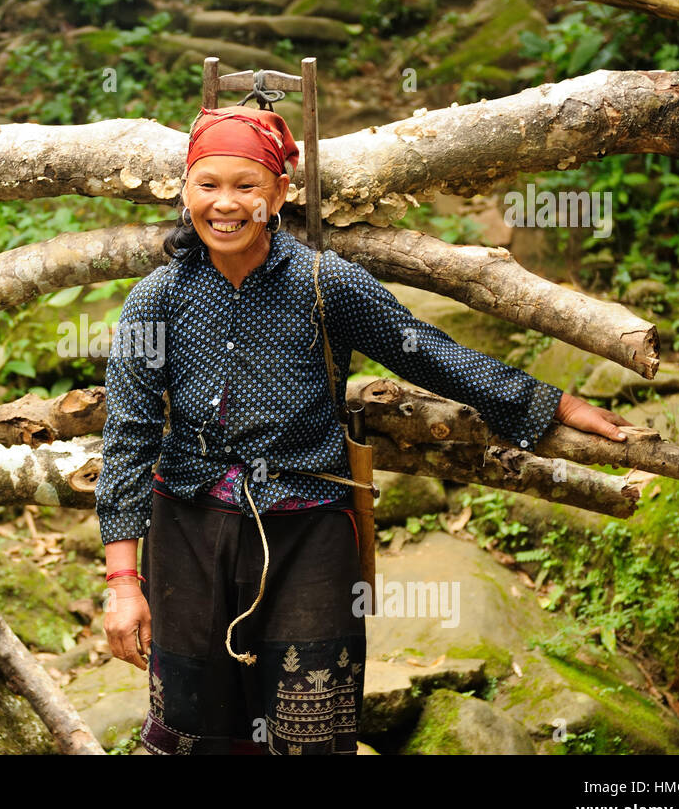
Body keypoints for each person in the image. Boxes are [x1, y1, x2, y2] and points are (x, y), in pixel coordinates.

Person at [95, 103, 633, 755]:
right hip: (187, 533)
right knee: (193, 733)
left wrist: (549, 403)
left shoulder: (325, 284)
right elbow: (128, 437)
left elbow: (426, 352)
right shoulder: (157, 299)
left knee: (311, 730)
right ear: (185, 189)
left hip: (310, 537)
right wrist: (124, 583)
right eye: (208, 185)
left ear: (280, 191)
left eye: (247, 185)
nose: (226, 204)